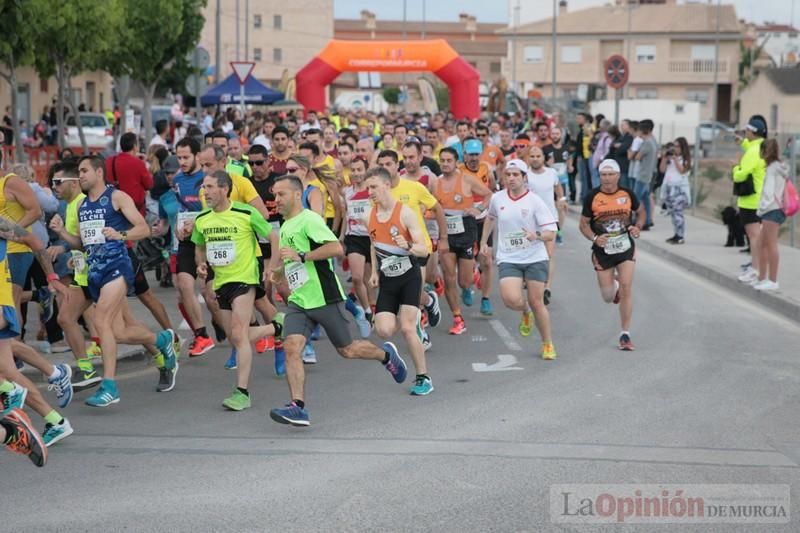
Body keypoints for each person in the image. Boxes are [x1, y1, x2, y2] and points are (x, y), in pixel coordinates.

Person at [268, 175, 409, 427]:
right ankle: (297, 407)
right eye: (275, 195)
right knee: (291, 347)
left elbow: (336, 249)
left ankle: (386, 356)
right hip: (299, 300)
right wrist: (278, 272)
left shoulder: (309, 220)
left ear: (296, 195)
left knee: (347, 350)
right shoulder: (286, 224)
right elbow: (292, 260)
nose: (276, 200)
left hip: (325, 297)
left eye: (281, 194)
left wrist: (303, 255)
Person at [59, 155, 178, 406]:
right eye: (79, 172)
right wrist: (63, 236)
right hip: (94, 272)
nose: (79, 176)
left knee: (101, 319)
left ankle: (109, 386)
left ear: (99, 173)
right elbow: (84, 242)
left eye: (84, 171)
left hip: (117, 267)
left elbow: (143, 229)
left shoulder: (116, 197)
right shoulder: (82, 207)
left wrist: (120, 234)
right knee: (117, 332)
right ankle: (161, 340)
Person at [192, 171, 282, 410]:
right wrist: (200, 264)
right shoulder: (202, 219)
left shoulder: (245, 213)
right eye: (204, 187)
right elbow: (200, 247)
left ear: (224, 189)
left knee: (239, 334)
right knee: (235, 336)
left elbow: (274, 237)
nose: (205, 192)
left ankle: (242, 392)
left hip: (245, 279)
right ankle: (277, 326)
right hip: (221, 282)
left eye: (210, 187)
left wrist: (271, 268)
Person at [480, 159, 558, 360]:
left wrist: (537, 236)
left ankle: (547, 343)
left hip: (534, 257)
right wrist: (484, 242)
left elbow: (551, 232)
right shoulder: (498, 199)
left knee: (537, 301)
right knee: (510, 299)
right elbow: (490, 218)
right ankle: (524, 311)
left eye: (516, 175)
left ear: (524, 178)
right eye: (508, 175)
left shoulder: (535, 201)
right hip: (509, 257)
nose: (511, 178)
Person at [365, 167, 433, 395]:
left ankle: (423, 377)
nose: (370, 192)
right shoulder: (369, 215)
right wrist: (374, 272)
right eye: (368, 187)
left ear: (386, 185)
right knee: (383, 330)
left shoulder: (405, 213)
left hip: (409, 277)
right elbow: (373, 245)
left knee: (407, 327)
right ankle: (393, 356)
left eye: (373, 187)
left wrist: (409, 246)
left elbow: (423, 250)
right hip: (388, 279)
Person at [579, 159, 645, 351]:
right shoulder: (592, 196)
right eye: (603, 175)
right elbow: (583, 224)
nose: (607, 179)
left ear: (617, 175)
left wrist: (637, 227)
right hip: (603, 251)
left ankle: (625, 333)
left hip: (625, 247)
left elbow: (641, 212)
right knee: (608, 297)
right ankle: (613, 287)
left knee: (627, 287)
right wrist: (594, 238)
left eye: (610, 174)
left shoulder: (627, 194)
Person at [434, 147, 492, 335]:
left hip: (466, 230)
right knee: (449, 278)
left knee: (463, 282)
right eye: (442, 160)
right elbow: (430, 205)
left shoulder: (466, 179)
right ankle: (458, 318)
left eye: (448, 160)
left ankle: (470, 279)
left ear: (456, 161)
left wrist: (478, 209)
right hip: (446, 233)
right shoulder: (436, 183)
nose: (444, 164)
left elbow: (488, 194)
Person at [459, 138, 496, 315]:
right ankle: (466, 286)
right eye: (470, 154)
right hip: (465, 220)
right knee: (467, 261)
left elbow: (493, 190)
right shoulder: (459, 171)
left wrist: (482, 207)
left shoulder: (486, 168)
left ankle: (486, 299)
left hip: (483, 220)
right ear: (464, 154)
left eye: (476, 154)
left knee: (487, 261)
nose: (473, 158)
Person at [525, 146, 565, 305]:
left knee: (548, 254)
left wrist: (561, 201)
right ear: (528, 158)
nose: (535, 159)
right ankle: (532, 282)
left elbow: (558, 188)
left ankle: (546, 288)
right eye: (532, 156)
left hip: (549, 219)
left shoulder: (552, 173)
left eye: (538, 156)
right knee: (531, 254)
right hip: (530, 220)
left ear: (543, 157)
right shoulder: (525, 175)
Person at [735, 115, 768, 284]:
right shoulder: (761, 146)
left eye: (747, 130)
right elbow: (751, 148)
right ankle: (758, 270)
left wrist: (735, 168)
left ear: (753, 132)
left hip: (750, 200)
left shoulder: (753, 152)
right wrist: (743, 143)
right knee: (757, 237)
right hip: (759, 198)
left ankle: (755, 270)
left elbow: (742, 175)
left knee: (753, 237)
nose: (745, 132)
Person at [753, 138, 787, 291]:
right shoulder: (779, 167)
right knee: (761, 244)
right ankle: (762, 278)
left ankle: (773, 281)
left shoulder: (772, 168)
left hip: (771, 210)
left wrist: (761, 209)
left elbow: (768, 193)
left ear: (765, 151)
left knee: (770, 244)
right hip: (776, 209)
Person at [659, 137, 692, 244]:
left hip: (680, 189)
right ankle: (676, 234)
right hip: (669, 188)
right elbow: (662, 170)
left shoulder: (686, 159)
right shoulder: (670, 159)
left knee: (678, 213)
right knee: (673, 213)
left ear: (683, 147)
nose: (675, 148)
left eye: (677, 146)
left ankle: (680, 236)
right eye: (674, 146)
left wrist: (675, 159)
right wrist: (664, 158)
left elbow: (682, 171)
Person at [631, 119, 657, 230]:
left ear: (642, 131)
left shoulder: (646, 143)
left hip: (643, 175)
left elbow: (637, 157)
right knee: (645, 199)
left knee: (635, 198)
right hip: (648, 174)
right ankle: (647, 221)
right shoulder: (653, 141)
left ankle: (633, 220)